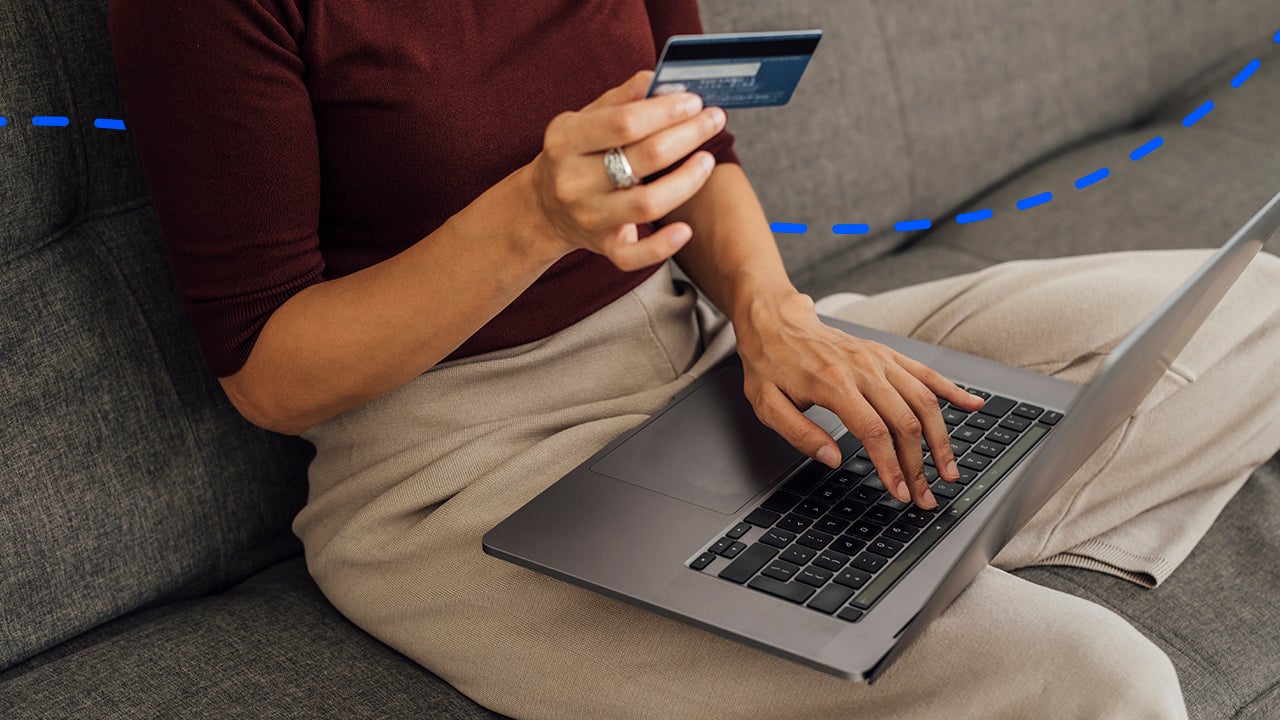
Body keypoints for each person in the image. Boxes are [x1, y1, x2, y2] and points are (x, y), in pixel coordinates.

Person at [110, 1, 1280, 718]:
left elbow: (697, 144)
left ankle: (908, 552)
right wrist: (529, 218)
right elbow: (270, 374)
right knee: (1089, 682)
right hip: (463, 472)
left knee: (1257, 307)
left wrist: (773, 313)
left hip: (709, 355)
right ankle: (916, 564)